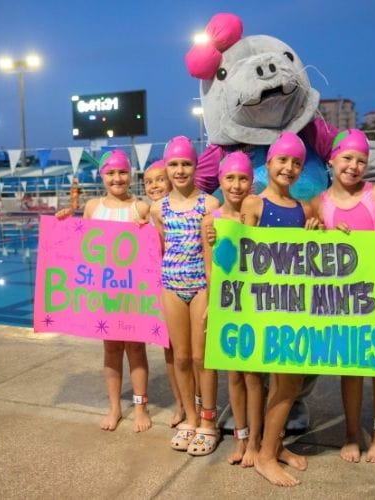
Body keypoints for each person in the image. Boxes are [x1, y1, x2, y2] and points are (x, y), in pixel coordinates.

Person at [310, 129, 375, 464]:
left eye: (361, 160)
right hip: (344, 291)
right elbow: (310, 248)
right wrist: (317, 232)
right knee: (351, 361)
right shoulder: (319, 203)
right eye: (348, 158)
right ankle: (351, 434)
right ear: (332, 159)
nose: (354, 165)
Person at [240, 131, 322, 487]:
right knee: (282, 382)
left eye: (296, 163)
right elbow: (242, 256)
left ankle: (273, 446)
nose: (289, 167)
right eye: (282, 160)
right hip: (263, 307)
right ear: (268, 163)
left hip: (293, 309)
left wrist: (318, 234)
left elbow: (309, 261)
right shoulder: (253, 205)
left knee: (288, 384)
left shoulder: (305, 209)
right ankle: (265, 455)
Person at [57, 149, 153, 433]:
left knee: (136, 349)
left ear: (130, 174)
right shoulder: (92, 207)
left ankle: (140, 406)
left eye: (122, 172)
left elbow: (152, 246)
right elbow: (80, 246)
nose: (117, 178)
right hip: (104, 291)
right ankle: (114, 407)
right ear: (102, 176)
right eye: (110, 173)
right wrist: (64, 222)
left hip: (133, 292)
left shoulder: (141, 208)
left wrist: (146, 229)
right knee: (111, 350)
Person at [149, 136, 220, 456]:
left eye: (186, 163)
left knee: (201, 356)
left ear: (195, 166)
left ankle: (208, 421)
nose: (180, 170)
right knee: (180, 356)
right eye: (174, 164)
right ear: (167, 168)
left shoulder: (209, 204)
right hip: (170, 286)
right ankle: (190, 418)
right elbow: (159, 249)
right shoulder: (157, 208)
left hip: (201, 285)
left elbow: (215, 253)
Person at [201, 151, 263, 467]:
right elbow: (211, 270)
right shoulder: (210, 222)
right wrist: (214, 305)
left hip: (256, 305)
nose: (237, 185)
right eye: (230, 178)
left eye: (243, 179)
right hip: (228, 305)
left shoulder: (261, 216)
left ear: (252, 182)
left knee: (253, 376)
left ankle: (256, 441)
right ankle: (240, 437)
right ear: (220, 181)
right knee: (234, 376)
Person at [142, 159, 185, 428]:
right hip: (158, 290)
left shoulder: (179, 211)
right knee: (170, 351)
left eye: (160, 179)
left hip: (181, 286)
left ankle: (199, 402)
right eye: (148, 181)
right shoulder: (146, 213)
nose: (154, 185)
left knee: (189, 353)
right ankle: (180, 403)